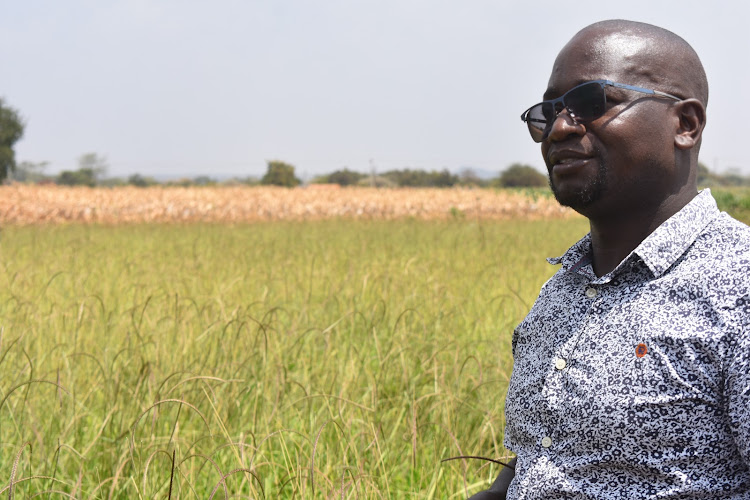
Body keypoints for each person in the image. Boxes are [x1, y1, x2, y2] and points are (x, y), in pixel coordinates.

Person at [469, 19, 750, 499]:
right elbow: (545, 458)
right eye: (548, 111)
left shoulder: (738, 290)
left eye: (591, 103)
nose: (558, 128)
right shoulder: (566, 286)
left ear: (685, 124)